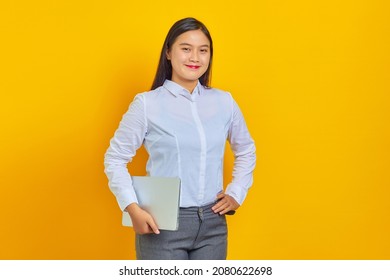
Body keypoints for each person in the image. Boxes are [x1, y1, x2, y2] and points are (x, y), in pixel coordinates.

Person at [104, 17, 256, 260]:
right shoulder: (146, 104)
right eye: (186, 49)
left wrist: (237, 192)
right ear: (168, 52)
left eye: (203, 50)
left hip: (213, 224)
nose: (195, 57)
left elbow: (246, 149)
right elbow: (115, 158)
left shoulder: (224, 101)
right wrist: (132, 207)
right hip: (161, 223)